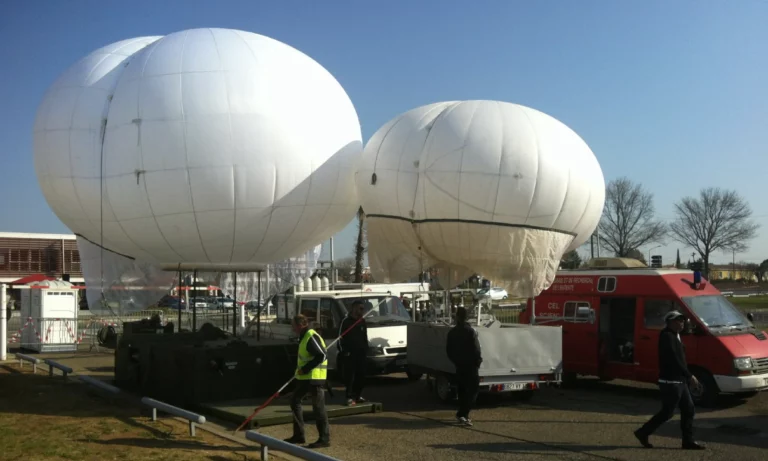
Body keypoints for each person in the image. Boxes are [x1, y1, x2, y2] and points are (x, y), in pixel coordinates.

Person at [634, 310, 705, 450]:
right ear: (669, 322)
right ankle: (643, 432)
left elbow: (681, 360)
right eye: (678, 320)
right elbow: (675, 359)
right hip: (670, 381)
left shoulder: (677, 335)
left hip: (680, 381)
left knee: (689, 409)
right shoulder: (667, 336)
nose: (682, 322)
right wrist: (689, 375)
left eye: (683, 320)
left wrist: (686, 376)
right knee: (668, 412)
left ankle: (687, 441)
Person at [285, 314, 331, 448]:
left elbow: (321, 355)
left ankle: (324, 438)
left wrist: (305, 369)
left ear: (300, 325)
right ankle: (299, 435)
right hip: (305, 378)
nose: (292, 329)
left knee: (318, 408)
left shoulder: (310, 336)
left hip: (314, 378)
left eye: (293, 326)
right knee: (294, 401)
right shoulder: (304, 336)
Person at [446, 307, 482, 426]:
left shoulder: (452, 332)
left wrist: (456, 361)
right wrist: (478, 361)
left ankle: (462, 413)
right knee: (473, 390)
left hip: (459, 365)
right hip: (471, 365)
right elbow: (476, 349)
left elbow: (449, 350)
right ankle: (463, 413)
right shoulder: (470, 331)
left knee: (462, 390)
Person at [338, 300, 368, 406]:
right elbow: (339, 338)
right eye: (360, 308)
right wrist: (344, 351)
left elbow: (365, 337)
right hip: (349, 354)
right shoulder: (345, 321)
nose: (362, 311)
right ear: (354, 308)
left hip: (361, 353)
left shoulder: (362, 321)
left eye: (363, 309)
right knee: (350, 377)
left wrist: (366, 349)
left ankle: (357, 395)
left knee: (362, 375)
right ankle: (349, 397)